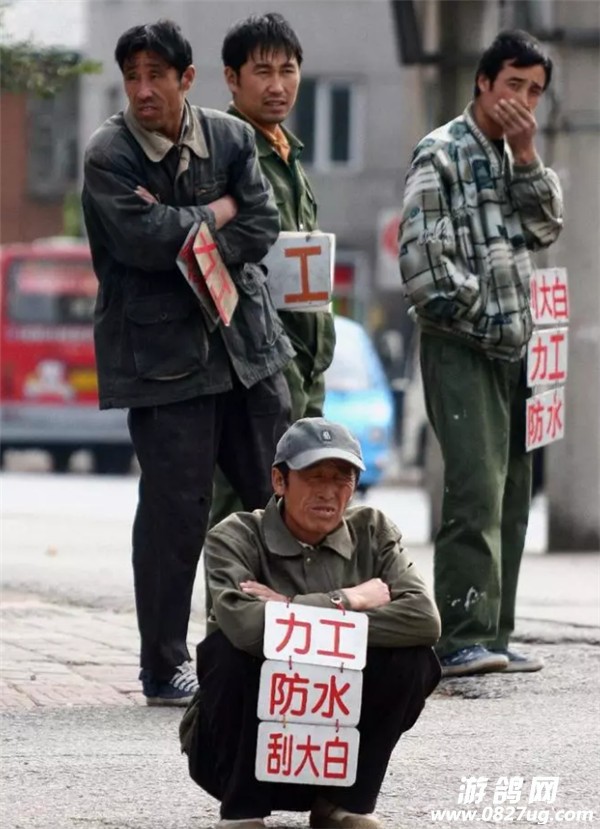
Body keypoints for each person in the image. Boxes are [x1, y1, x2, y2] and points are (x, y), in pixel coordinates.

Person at [81, 19, 294, 706]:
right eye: (132, 77)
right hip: (163, 360)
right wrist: (216, 211)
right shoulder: (109, 154)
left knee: (279, 502)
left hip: (247, 349)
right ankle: (164, 665)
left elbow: (262, 224)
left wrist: (191, 225)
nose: (143, 90)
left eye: (157, 76)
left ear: (187, 79)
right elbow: (141, 242)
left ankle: (287, 648)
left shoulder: (229, 138)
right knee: (176, 514)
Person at [181, 417, 441, 829]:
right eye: (314, 476)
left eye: (341, 479)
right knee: (227, 650)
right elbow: (246, 628)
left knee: (412, 659)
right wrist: (347, 600)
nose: (328, 491)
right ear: (279, 481)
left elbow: (424, 619)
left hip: (335, 752)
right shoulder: (235, 536)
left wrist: (287, 609)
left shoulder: (373, 531)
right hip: (234, 757)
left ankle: (344, 803)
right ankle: (243, 810)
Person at [398, 30, 563, 677]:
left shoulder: (512, 156)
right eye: (513, 84)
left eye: (535, 91)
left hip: (515, 350)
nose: (522, 100)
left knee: (514, 494)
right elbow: (424, 265)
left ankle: (496, 630)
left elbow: (546, 224)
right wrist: (487, 312)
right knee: (475, 486)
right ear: (484, 82)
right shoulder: (440, 152)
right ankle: (461, 634)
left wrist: (527, 155)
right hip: (461, 345)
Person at [209, 12, 336, 526]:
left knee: (295, 509)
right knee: (243, 505)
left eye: (288, 70)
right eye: (262, 72)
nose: (278, 85)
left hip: (304, 360)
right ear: (232, 77)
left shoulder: (288, 154)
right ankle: (230, 586)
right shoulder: (223, 151)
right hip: (254, 361)